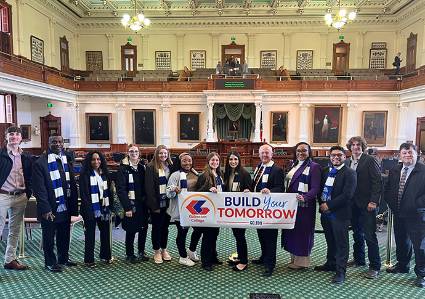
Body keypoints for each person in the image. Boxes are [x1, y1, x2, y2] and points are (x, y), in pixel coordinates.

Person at [32, 135, 78, 272]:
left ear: (63, 143)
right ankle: (50, 262)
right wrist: (45, 209)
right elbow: (39, 189)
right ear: (48, 143)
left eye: (60, 142)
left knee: (64, 234)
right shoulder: (40, 163)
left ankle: (63, 258)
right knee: (49, 236)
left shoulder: (65, 160)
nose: (57, 144)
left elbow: (71, 184)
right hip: (50, 207)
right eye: (54, 142)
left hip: (65, 205)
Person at [384, 143, 425, 288]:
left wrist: (416, 205)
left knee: (420, 246)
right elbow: (388, 188)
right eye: (404, 153)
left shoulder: (423, 170)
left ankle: (421, 274)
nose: (408, 155)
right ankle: (402, 265)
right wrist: (391, 203)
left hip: (417, 215)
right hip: (399, 212)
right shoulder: (395, 170)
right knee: (402, 241)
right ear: (400, 155)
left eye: (410, 152)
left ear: (416, 154)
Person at [314, 146, 357, 284]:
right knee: (330, 240)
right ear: (330, 157)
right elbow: (321, 190)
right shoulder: (326, 171)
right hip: (326, 213)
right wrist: (322, 204)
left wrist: (329, 205)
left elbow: (347, 195)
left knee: (341, 243)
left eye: (339, 155)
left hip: (340, 214)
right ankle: (330, 263)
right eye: (333, 155)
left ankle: (340, 272)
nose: (336, 157)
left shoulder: (350, 173)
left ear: (345, 157)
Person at [345, 136, 382, 279]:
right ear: (350, 147)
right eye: (353, 145)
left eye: (358, 144)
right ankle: (359, 259)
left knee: (370, 236)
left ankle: (375, 266)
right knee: (356, 233)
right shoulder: (347, 161)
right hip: (352, 205)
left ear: (363, 146)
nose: (356, 147)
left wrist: (374, 201)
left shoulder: (370, 160)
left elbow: (378, 182)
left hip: (367, 205)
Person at [281, 142, 321, 269]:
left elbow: (315, 188)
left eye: (304, 150)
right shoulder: (293, 165)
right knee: (292, 231)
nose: (301, 153)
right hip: (291, 205)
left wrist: (305, 196)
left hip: (304, 206)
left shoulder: (314, 167)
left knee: (302, 232)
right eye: (298, 150)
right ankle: (294, 259)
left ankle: (302, 262)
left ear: (309, 152)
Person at [0, 126, 32, 271]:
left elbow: (30, 176)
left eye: (17, 134)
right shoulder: (1, 154)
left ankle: (9, 260)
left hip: (20, 197)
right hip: (3, 195)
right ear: (6, 137)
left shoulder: (26, 156)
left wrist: (28, 192)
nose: (14, 136)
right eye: (11, 134)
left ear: (21, 138)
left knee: (15, 230)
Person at [251, 144, 284, 277]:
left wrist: (270, 191)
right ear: (259, 154)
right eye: (262, 153)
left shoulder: (277, 169)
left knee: (270, 238)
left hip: (270, 210)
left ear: (272, 154)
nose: (264, 155)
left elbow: (281, 188)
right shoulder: (259, 167)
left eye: (267, 153)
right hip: (258, 209)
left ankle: (270, 265)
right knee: (261, 235)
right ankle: (263, 257)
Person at [79, 151, 114, 267]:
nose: (96, 161)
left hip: (103, 206)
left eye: (98, 159)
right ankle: (89, 259)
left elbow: (109, 191)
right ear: (89, 161)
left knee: (105, 232)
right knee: (90, 234)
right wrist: (90, 210)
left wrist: (110, 207)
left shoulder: (105, 174)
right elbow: (84, 194)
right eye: (93, 159)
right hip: (90, 207)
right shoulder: (85, 175)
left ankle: (105, 256)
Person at [166, 152, 201, 266]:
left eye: (189, 160)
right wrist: (174, 190)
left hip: (195, 209)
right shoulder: (175, 175)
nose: (187, 163)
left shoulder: (195, 173)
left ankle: (191, 250)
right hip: (180, 210)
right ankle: (183, 256)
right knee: (182, 233)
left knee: (198, 230)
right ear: (180, 162)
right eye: (184, 161)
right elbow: (168, 193)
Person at [116, 145, 150, 263]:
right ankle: (129, 254)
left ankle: (141, 251)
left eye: (136, 151)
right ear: (128, 153)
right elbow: (121, 190)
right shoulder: (123, 169)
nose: (134, 153)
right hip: (131, 204)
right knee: (131, 230)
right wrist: (127, 208)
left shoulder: (143, 167)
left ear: (139, 153)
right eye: (131, 151)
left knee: (143, 228)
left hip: (143, 204)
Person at [223, 151, 252, 271]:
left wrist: (247, 191)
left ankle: (244, 261)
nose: (233, 161)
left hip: (241, 211)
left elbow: (250, 189)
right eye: (230, 159)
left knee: (240, 235)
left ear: (239, 160)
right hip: (231, 210)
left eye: (235, 159)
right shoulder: (227, 173)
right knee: (236, 234)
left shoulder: (244, 173)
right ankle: (240, 256)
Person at [196, 152, 224, 271]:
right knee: (208, 236)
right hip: (207, 210)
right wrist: (208, 189)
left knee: (214, 235)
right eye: (212, 160)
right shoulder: (204, 175)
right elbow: (198, 191)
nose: (215, 162)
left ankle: (213, 256)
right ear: (208, 161)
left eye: (217, 160)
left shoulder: (219, 174)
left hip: (217, 209)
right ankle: (206, 262)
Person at [145, 145, 173, 264]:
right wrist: (154, 206)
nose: (163, 155)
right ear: (157, 154)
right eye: (161, 153)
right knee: (156, 228)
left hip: (168, 203)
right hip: (156, 203)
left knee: (165, 228)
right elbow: (149, 188)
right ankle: (156, 251)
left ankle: (164, 249)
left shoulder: (170, 166)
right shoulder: (151, 167)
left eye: (165, 153)